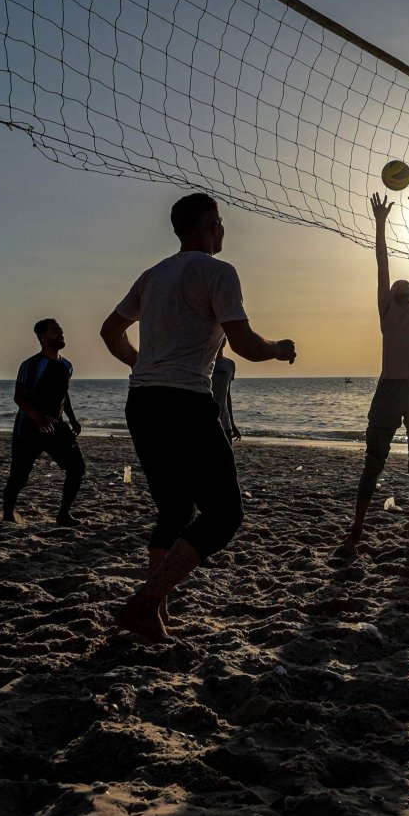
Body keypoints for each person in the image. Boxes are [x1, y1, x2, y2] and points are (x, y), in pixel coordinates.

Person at [101, 193, 297, 641]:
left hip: (143, 402)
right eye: (221, 223)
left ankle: (153, 615)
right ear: (209, 226)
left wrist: (142, 365)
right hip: (184, 401)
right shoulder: (218, 272)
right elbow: (244, 344)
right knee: (225, 514)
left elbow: (109, 332)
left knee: (174, 508)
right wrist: (278, 349)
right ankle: (146, 602)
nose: (224, 230)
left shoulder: (153, 276)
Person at [335, 191, 409, 558]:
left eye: (403, 289)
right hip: (392, 389)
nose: (400, 290)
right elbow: (382, 261)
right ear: (393, 295)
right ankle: (358, 524)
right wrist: (380, 222)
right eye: (397, 289)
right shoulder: (387, 311)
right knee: (373, 462)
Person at [1, 318, 86, 526]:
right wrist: (38, 418)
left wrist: (73, 420)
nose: (61, 333)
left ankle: (64, 514)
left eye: (61, 330)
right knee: (19, 477)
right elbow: (19, 397)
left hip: (56, 426)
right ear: (42, 337)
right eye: (55, 330)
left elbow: (64, 396)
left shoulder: (67, 365)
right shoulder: (31, 365)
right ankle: (8, 515)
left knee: (77, 467)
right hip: (29, 427)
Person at [212, 341, 240, 443]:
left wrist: (232, 424)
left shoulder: (230, 364)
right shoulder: (205, 363)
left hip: (224, 420)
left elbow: (227, 395)